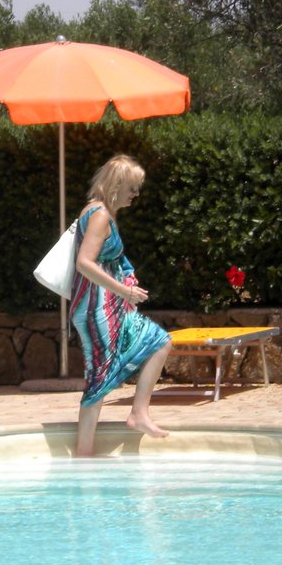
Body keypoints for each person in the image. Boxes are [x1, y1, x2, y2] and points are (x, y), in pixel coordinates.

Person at [70, 154, 172, 456]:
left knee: (159, 341)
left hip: (105, 306)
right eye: (132, 188)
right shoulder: (100, 215)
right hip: (96, 309)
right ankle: (83, 454)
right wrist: (123, 292)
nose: (136, 194)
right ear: (116, 185)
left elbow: (108, 260)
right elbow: (84, 264)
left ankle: (138, 413)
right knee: (99, 375)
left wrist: (126, 278)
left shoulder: (102, 213)